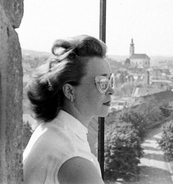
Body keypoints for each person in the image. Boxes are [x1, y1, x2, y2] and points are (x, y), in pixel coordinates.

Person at [23, 35, 114, 184]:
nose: (111, 90)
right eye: (102, 82)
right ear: (70, 92)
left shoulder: (51, 130)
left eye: (111, 81)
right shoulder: (74, 158)